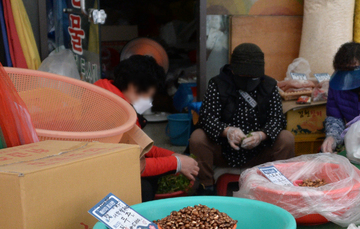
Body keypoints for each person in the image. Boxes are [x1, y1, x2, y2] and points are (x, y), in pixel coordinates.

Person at [191, 43, 295, 194]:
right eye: (243, 77)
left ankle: (279, 187)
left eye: (253, 77)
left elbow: (278, 119)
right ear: (233, 70)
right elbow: (206, 118)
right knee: (197, 137)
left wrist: (261, 135)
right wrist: (227, 132)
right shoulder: (218, 84)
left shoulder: (269, 85)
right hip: (224, 150)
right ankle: (207, 186)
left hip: (259, 151)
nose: (248, 81)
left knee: (286, 138)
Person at [95, 55, 199, 201]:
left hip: (104, 166)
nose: (149, 102)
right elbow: (135, 166)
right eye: (149, 96)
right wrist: (177, 163)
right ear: (134, 86)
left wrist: (173, 156)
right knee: (145, 186)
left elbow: (140, 147)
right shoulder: (116, 113)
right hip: (99, 176)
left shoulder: (107, 91)